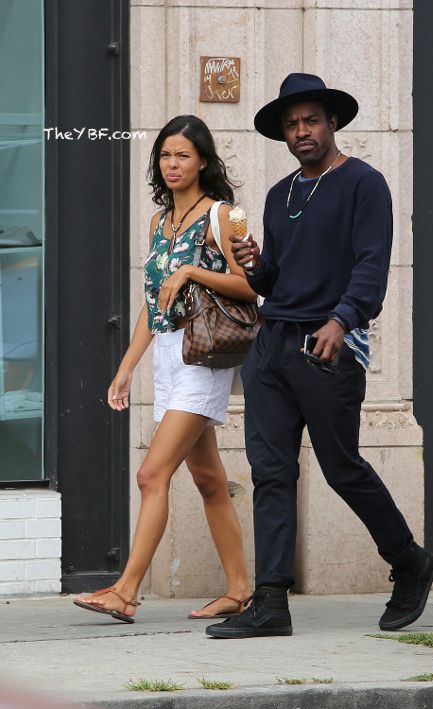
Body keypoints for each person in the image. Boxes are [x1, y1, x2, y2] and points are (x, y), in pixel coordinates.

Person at [206, 73, 433, 639]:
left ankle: (410, 561)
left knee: (341, 468)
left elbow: (370, 266)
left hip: (325, 346)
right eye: (291, 124)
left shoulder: (364, 183)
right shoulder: (279, 193)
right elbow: (275, 280)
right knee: (271, 472)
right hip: (271, 345)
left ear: (333, 122)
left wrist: (341, 320)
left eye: (311, 120)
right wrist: (253, 263)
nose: (301, 131)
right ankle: (270, 603)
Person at [74, 115, 255, 623]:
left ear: (203, 161)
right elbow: (152, 306)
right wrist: (126, 368)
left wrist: (193, 269)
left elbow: (252, 286)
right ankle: (240, 589)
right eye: (165, 155)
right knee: (208, 479)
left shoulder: (222, 215)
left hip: (204, 357)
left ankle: (125, 592)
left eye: (183, 155)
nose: (172, 164)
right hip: (169, 357)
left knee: (152, 474)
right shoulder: (159, 222)